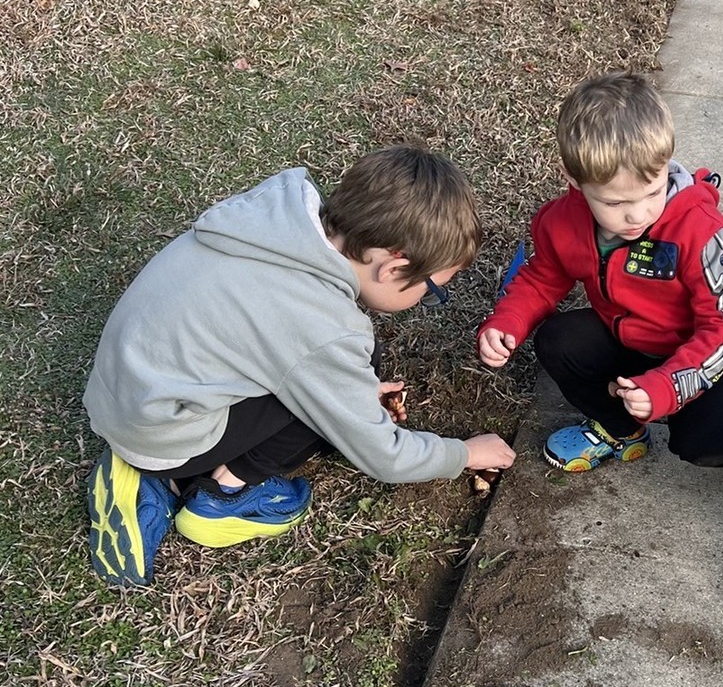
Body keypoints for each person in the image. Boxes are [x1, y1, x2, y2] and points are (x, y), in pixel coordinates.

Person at [84, 144, 516, 586]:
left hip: (123, 394)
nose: (426, 296)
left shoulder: (269, 217)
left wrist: (354, 390)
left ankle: (150, 474)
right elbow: (385, 458)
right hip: (160, 433)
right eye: (432, 287)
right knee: (336, 389)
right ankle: (222, 496)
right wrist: (464, 453)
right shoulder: (323, 328)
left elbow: (264, 337)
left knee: (339, 376)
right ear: (393, 266)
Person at [477, 70, 723, 475]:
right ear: (573, 178)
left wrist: (668, 386)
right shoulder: (560, 221)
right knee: (559, 341)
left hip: (712, 353)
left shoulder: (702, 231)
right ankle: (621, 430)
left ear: (665, 164)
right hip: (631, 341)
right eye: (614, 203)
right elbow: (544, 276)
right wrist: (508, 320)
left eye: (652, 192)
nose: (637, 215)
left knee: (702, 441)